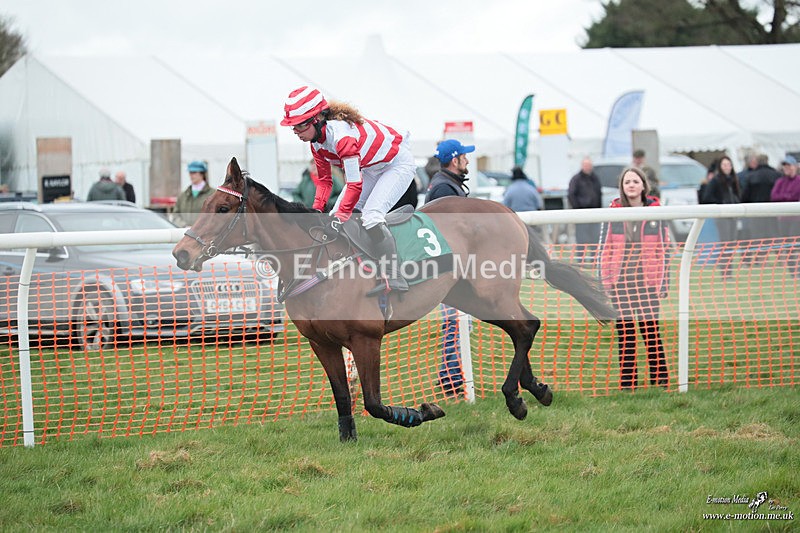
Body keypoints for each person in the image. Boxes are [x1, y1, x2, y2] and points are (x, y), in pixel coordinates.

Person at [280, 86, 415, 296]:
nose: (296, 132)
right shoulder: (316, 144)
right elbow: (325, 182)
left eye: (300, 125)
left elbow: (354, 184)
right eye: (293, 127)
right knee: (334, 215)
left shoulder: (342, 139)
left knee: (371, 216)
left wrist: (340, 217)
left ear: (317, 119)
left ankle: (394, 275)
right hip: (371, 168)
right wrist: (316, 212)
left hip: (397, 165)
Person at [598, 167, 670, 390]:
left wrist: (663, 282)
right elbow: (605, 249)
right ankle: (628, 384)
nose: (631, 185)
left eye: (635, 181)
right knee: (626, 334)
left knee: (651, 332)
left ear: (643, 186)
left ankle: (660, 381)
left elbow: (665, 249)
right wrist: (606, 282)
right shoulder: (612, 213)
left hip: (648, 282)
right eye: (627, 181)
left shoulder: (657, 213)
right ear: (622, 186)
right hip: (621, 283)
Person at [423, 138, 476, 397]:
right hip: (448, 268)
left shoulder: (446, 184)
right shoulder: (445, 188)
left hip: (449, 267)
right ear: (455, 160)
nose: (467, 159)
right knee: (456, 322)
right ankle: (451, 379)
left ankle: (451, 375)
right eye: (464, 156)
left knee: (459, 323)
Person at [700, 155, 741, 277]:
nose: (727, 167)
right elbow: (707, 197)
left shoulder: (734, 180)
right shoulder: (716, 181)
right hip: (722, 216)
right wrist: (720, 204)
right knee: (725, 244)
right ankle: (725, 272)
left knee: (731, 244)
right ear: (720, 167)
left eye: (729, 165)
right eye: (724, 165)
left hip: (733, 215)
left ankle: (729, 271)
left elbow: (738, 195)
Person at [740, 153, 781, 259]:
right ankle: (780, 258)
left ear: (757, 162)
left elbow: (745, 196)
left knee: (758, 237)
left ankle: (760, 259)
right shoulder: (777, 175)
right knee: (775, 235)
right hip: (774, 212)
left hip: (756, 212)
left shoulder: (751, 176)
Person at [567, 157, 602, 263]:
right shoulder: (576, 179)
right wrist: (577, 209)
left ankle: (594, 260)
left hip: (594, 215)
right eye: (586, 165)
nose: (587, 167)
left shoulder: (595, 178)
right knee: (581, 239)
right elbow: (571, 195)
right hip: (581, 215)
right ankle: (581, 260)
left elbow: (599, 194)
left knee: (595, 238)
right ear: (582, 166)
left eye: (589, 165)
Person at [771, 155, 800, 277]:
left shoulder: (798, 181)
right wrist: (787, 196)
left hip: (796, 219)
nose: (787, 168)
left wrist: (784, 197)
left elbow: (795, 196)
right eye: (785, 166)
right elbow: (774, 197)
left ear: (795, 167)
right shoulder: (780, 182)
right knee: (787, 245)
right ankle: (793, 272)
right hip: (783, 219)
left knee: (795, 244)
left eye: (789, 165)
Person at [173, 160, 215, 227]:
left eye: (194, 172)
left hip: (204, 232)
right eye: (190, 172)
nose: (191, 175)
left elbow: (216, 217)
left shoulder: (213, 194)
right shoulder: (183, 196)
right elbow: (175, 215)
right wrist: (184, 226)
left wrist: (199, 228)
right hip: (185, 232)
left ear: (202, 174)